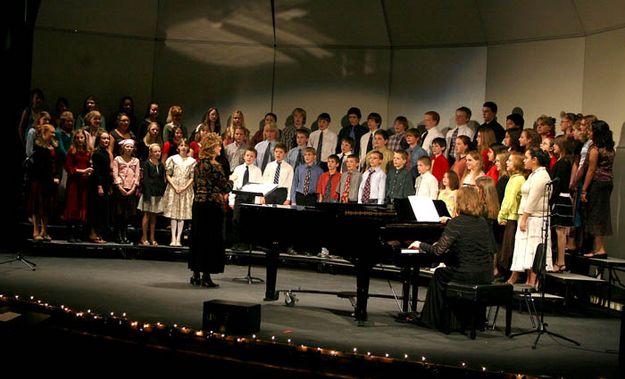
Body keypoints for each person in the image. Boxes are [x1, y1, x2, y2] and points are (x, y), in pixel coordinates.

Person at [408, 186, 495, 332]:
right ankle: (463, 321)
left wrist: (420, 244)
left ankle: (431, 320)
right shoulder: (482, 222)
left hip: (466, 274)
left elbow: (437, 251)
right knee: (446, 270)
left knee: (439, 274)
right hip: (485, 273)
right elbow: (489, 248)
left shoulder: (457, 222)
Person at [189, 132, 234, 288]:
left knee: (198, 237)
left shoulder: (198, 164)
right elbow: (224, 186)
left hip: (199, 204)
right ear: (211, 148)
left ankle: (195, 274)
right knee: (210, 239)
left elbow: (195, 185)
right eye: (218, 146)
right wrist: (232, 182)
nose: (220, 149)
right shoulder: (215, 166)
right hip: (212, 206)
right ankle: (206, 276)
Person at [509, 147, 553, 287]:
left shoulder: (542, 176)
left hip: (535, 219)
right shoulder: (533, 175)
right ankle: (528, 279)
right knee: (526, 249)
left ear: (535, 160)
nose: (524, 160)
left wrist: (524, 217)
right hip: (528, 218)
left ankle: (534, 281)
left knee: (534, 249)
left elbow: (533, 199)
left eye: (527, 158)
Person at [581, 120, 614, 258]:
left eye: (591, 130)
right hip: (608, 182)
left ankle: (600, 248)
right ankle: (599, 247)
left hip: (598, 183)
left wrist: (584, 189)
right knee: (601, 213)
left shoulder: (595, 149)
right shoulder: (610, 148)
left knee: (596, 214)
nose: (589, 132)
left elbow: (591, 170)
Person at [162, 139, 196, 246]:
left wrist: (184, 187)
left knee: (182, 214)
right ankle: (173, 238)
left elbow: (192, 177)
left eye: (185, 145)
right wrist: (174, 185)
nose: (183, 147)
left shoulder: (192, 161)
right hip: (174, 186)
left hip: (185, 188)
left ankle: (178, 238)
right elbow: (168, 174)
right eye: (181, 145)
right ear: (178, 147)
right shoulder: (172, 159)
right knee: (174, 214)